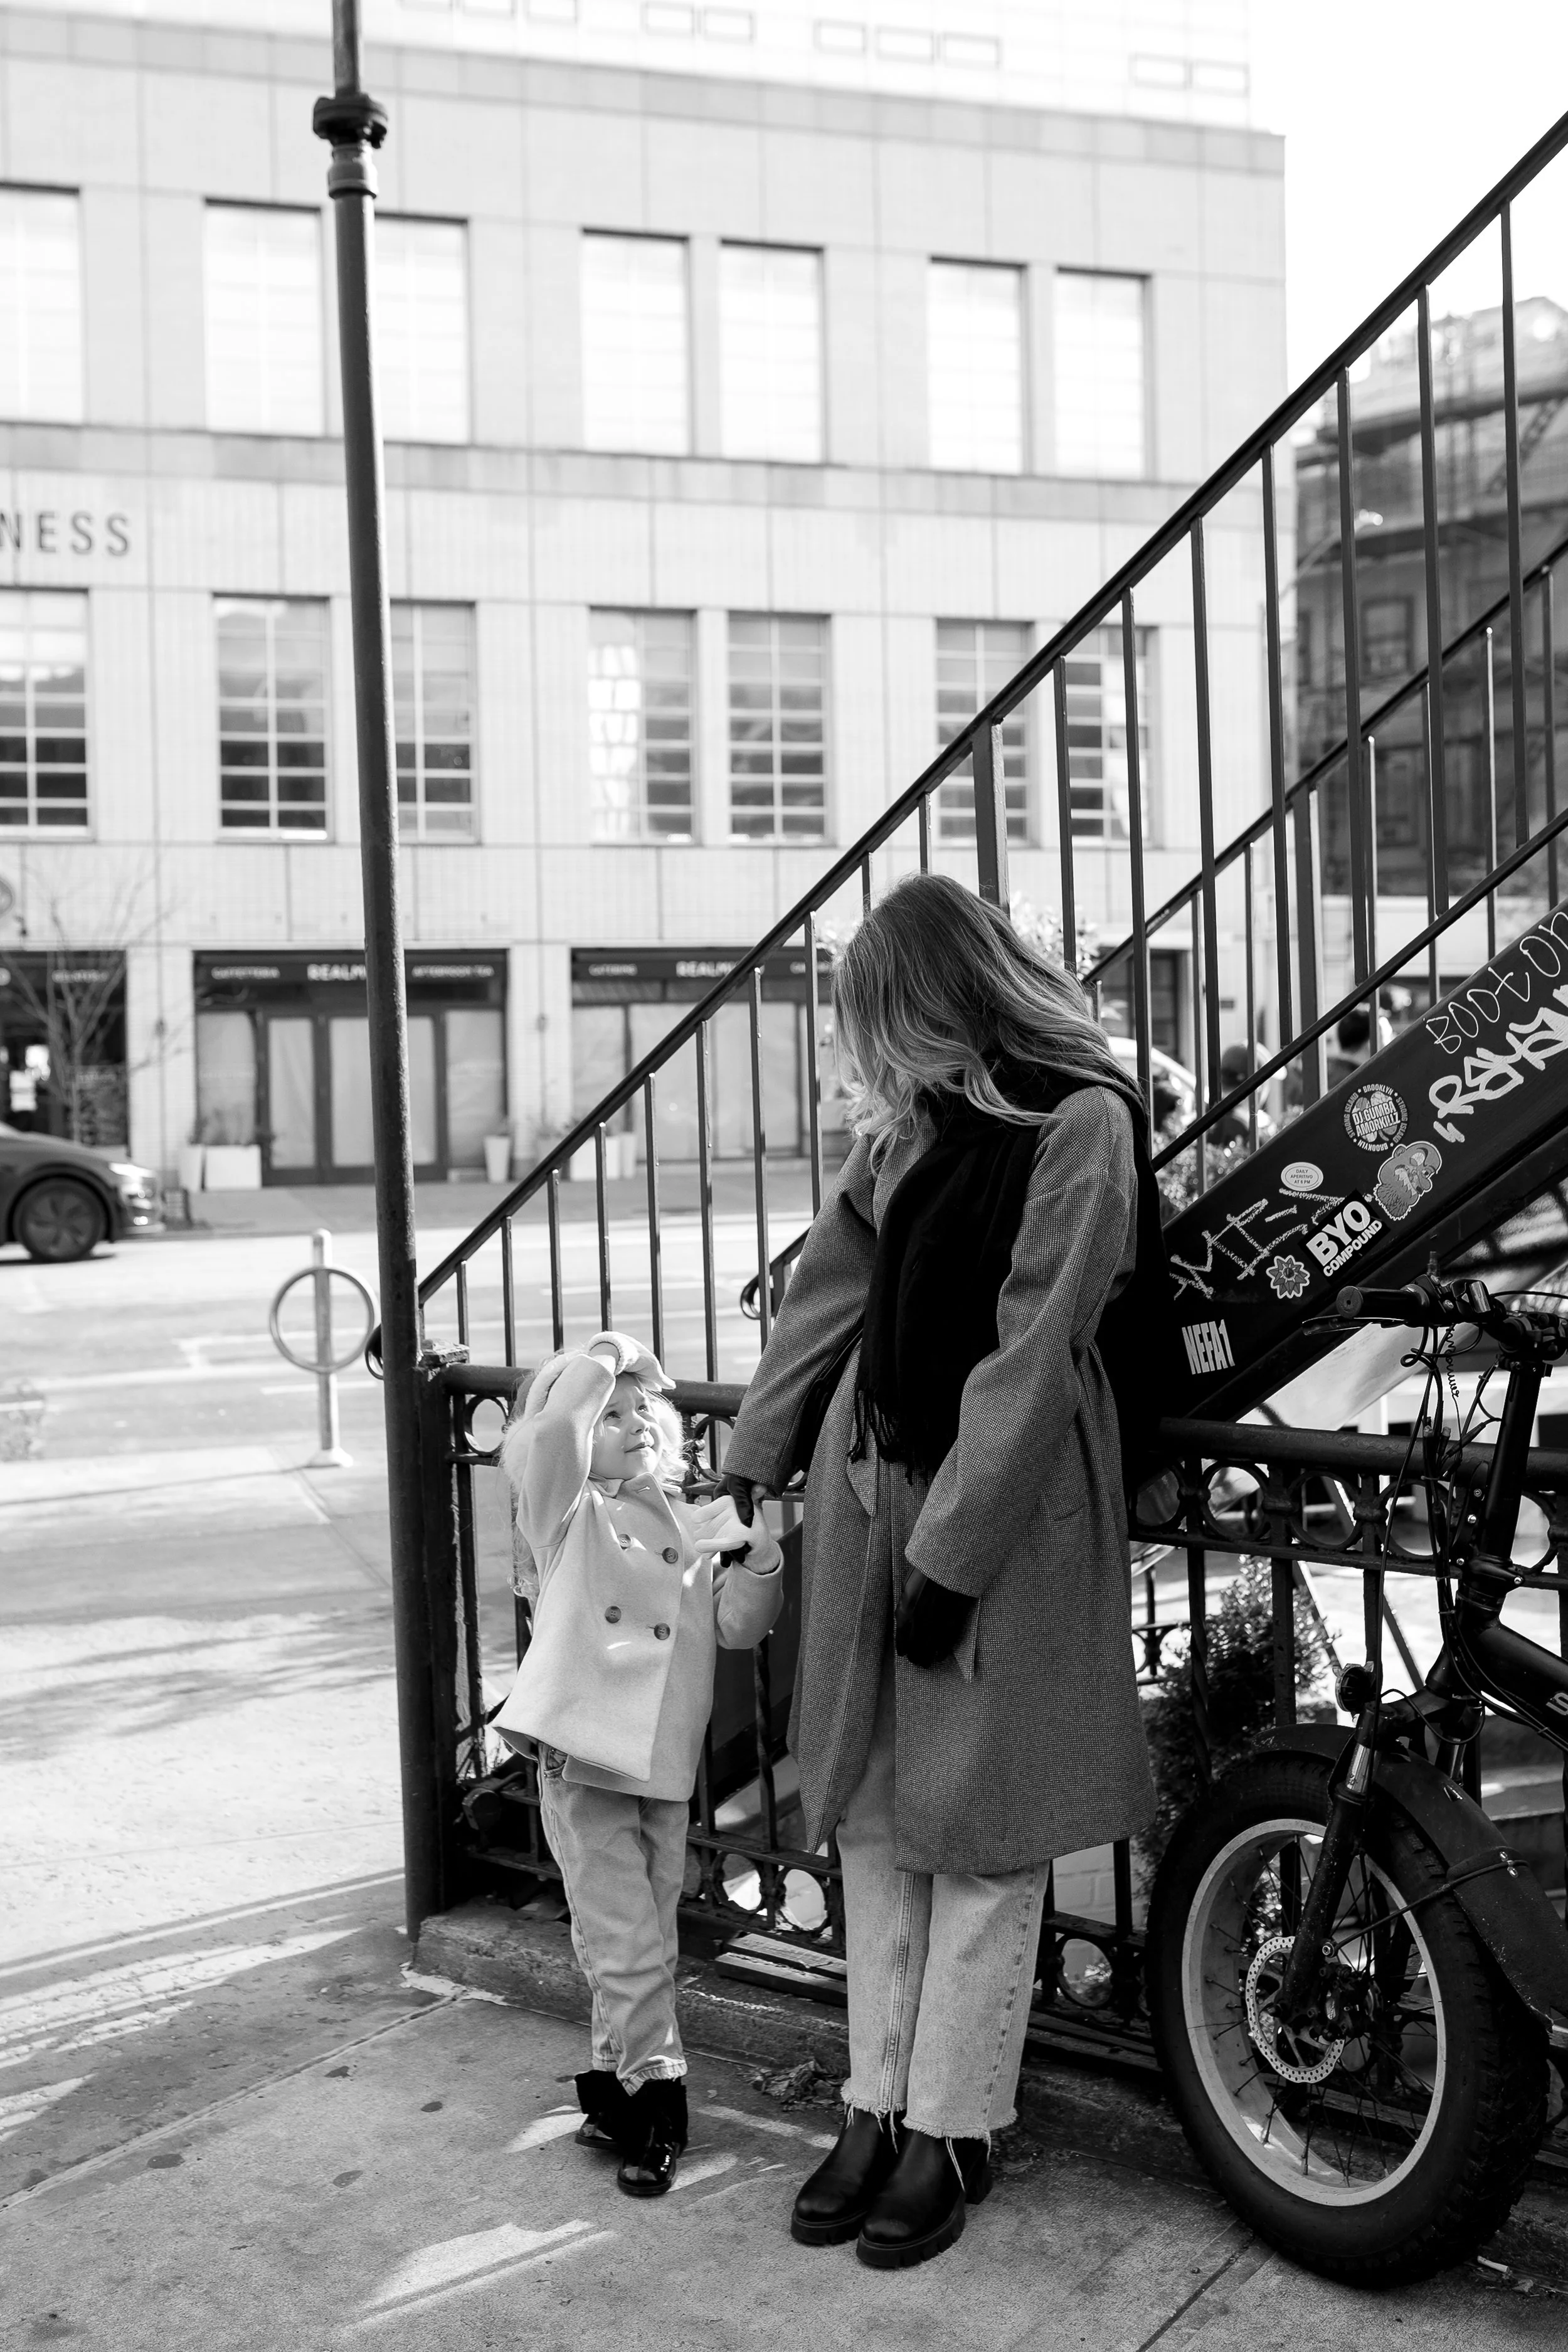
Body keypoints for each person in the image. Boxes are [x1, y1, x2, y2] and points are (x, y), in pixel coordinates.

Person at [721, 872, 1175, 2272]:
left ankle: (950, 2124)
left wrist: (952, 1556)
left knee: (978, 1829)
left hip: (1007, 1506)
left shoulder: (1080, 1121)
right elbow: (830, 1288)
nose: (864, 1063)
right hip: (879, 1483)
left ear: (933, 1003)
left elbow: (1036, 1351)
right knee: (866, 1808)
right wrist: (757, 1451)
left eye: (874, 1025)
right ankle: (875, 2101)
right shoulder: (920, 1120)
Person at [496, 1330, 783, 2197]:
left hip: (662, 1762)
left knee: (640, 1937)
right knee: (625, 1943)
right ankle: (661, 2100)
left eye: (643, 1410)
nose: (632, 1423)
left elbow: (740, 1626)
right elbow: (552, 1439)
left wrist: (760, 1556)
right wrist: (612, 1352)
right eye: (610, 1413)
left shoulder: (686, 1517)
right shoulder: (563, 1514)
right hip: (585, 1760)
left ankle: (613, 2088)